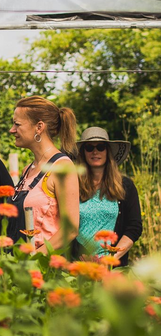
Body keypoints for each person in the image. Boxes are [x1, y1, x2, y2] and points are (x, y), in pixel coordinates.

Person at [9, 96, 79, 252]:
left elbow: (71, 229)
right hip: (17, 265)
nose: (12, 130)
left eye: (17, 124)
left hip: (43, 269)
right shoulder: (27, 169)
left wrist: (35, 259)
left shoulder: (61, 168)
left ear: (39, 127)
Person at [76, 126, 142, 266]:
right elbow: (63, 224)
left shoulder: (125, 186)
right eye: (89, 147)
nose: (95, 151)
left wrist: (111, 258)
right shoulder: (73, 186)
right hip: (79, 265)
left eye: (100, 147)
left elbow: (134, 227)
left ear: (108, 152)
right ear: (83, 153)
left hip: (113, 266)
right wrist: (80, 256)